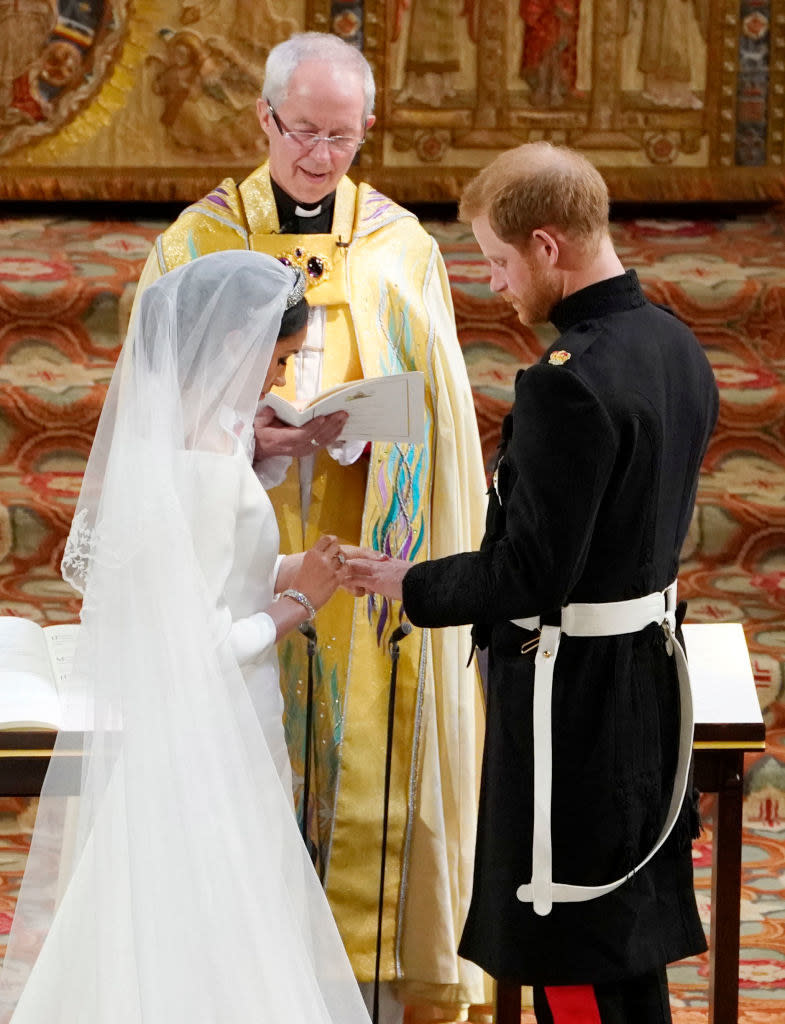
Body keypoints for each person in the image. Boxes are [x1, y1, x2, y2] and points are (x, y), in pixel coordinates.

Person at [133, 29, 487, 1019]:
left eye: (342, 136)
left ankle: (372, 977)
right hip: (234, 559)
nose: (321, 156)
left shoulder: (399, 249)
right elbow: (150, 430)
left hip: (362, 560)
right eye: (303, 133)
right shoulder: (197, 245)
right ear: (263, 119)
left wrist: (382, 450)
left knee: (365, 772)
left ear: (365, 127)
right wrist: (247, 445)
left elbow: (442, 421)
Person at [348, 142, 719, 1023]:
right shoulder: (672, 343)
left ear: (548, 247)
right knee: (622, 944)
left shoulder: (567, 384)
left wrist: (410, 583)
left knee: (571, 939)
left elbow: (528, 573)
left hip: (571, 702)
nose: (493, 284)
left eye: (499, 260)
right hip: (644, 679)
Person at [0, 250, 372, 1024]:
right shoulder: (203, 457)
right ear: (233, 344)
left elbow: (203, 576)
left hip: (215, 722)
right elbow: (192, 647)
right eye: (274, 360)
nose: (276, 381)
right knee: (216, 924)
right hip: (213, 727)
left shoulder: (186, 438)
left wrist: (284, 568)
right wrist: (297, 606)